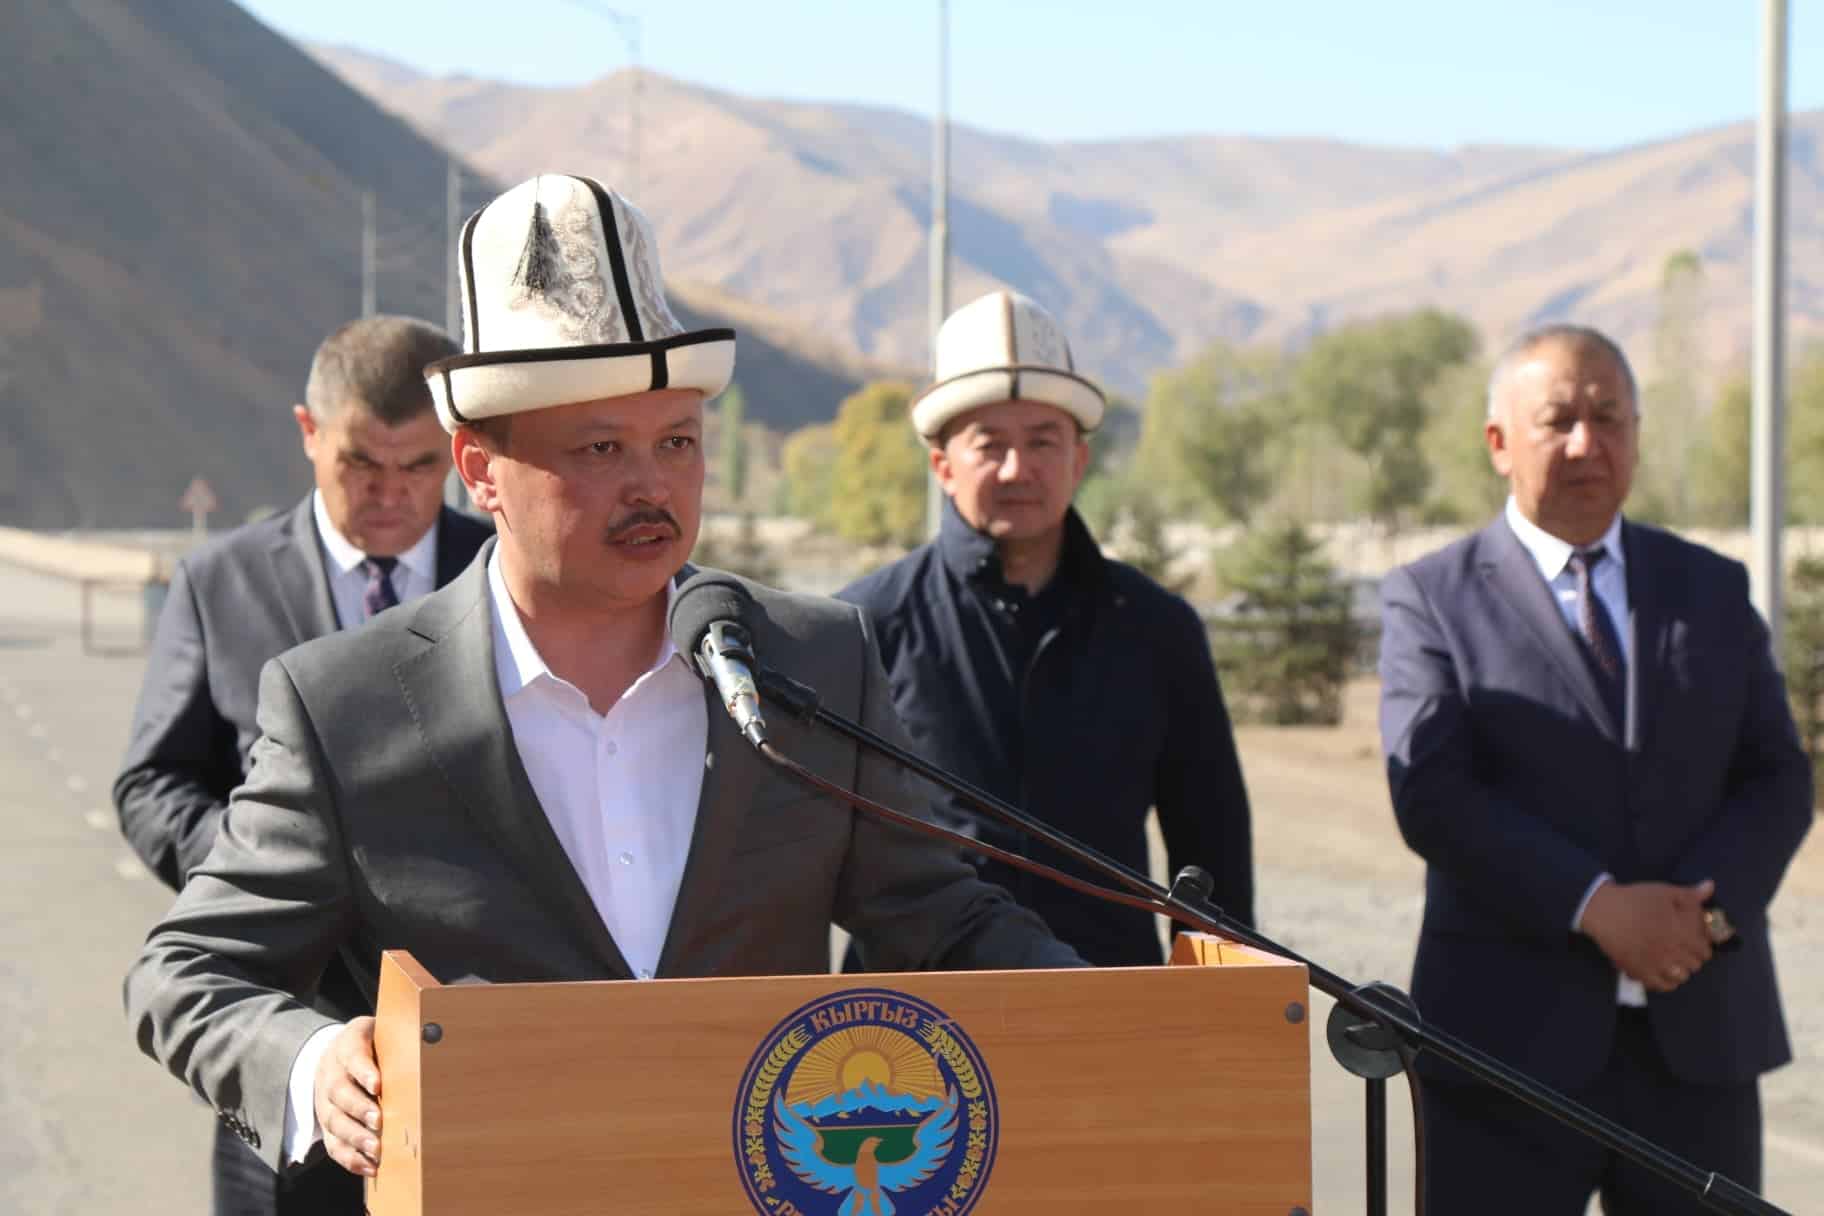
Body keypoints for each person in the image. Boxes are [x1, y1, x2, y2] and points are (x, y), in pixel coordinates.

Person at [124, 174, 1083, 1189]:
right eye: (601, 447)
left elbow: (945, 919)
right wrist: (315, 1062)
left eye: (677, 442)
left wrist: (1136, 1017)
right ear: (479, 469)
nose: (652, 485)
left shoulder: (809, 665)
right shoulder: (345, 708)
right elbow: (187, 974)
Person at [1378, 323, 1812, 1214]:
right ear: (1499, 442)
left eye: (1609, 418)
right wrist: (1598, 907)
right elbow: (1434, 794)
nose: (1587, 444)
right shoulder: (1432, 598)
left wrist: (1701, 921)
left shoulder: (1711, 588)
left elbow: (1778, 778)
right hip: (1504, 1051)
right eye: (1559, 421)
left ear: (1637, 435)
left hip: (1697, 1043)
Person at [114, 314, 490, 1215]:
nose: (392, 493)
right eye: (362, 463)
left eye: (420, 466)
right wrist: (270, 868)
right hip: (288, 1037)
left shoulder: (508, 576)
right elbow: (152, 783)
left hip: (472, 1040)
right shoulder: (220, 582)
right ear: (309, 433)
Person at [837, 291, 1253, 968]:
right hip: (916, 1008)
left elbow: (1213, 848)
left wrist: (1222, 1007)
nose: (1016, 469)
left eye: (1041, 442)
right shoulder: (862, 627)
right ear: (942, 466)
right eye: (989, 444)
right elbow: (814, 853)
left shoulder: (1158, 629)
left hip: (1110, 993)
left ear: (1078, 461)